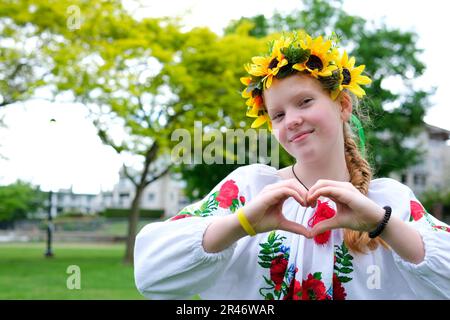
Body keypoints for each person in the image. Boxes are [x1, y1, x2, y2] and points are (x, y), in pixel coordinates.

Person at [134, 31, 450, 300]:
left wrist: (383, 225)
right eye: (279, 115)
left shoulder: (389, 203)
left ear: (342, 105)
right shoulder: (249, 189)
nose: (293, 120)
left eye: (305, 102)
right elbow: (150, 275)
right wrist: (242, 224)